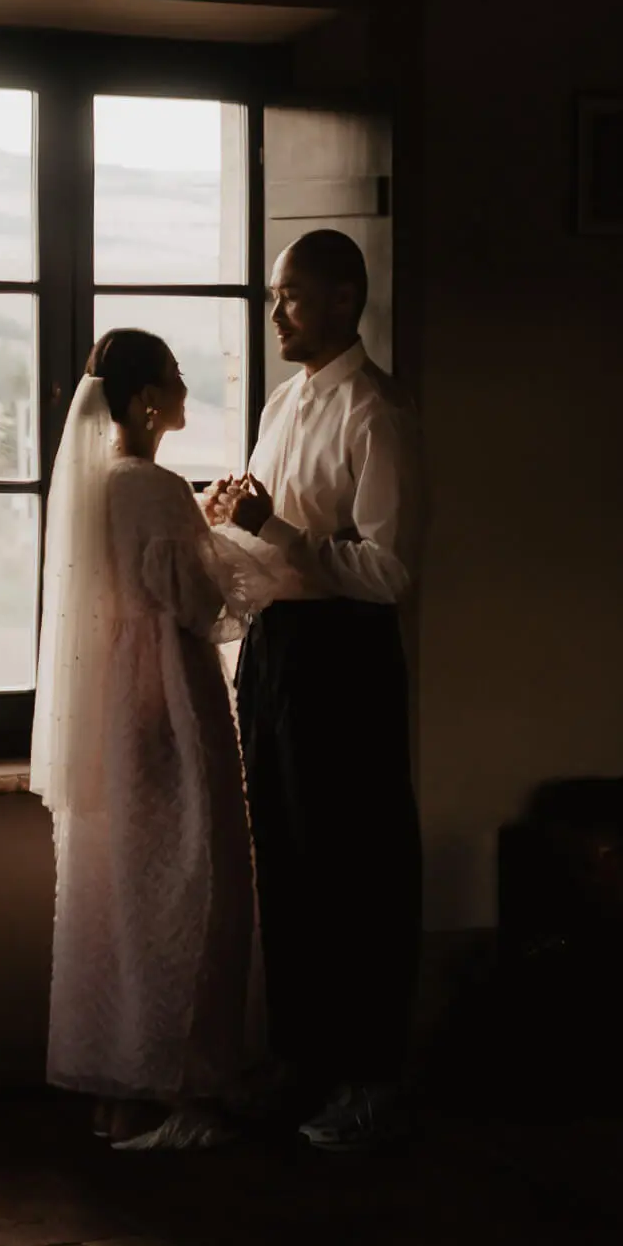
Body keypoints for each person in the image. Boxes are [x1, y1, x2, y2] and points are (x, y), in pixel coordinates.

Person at [205, 229, 424, 1152]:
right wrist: (228, 527)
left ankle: (369, 1079)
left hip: (345, 658)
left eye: (290, 296)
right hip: (277, 647)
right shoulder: (283, 402)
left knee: (355, 863)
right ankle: (301, 1060)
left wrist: (281, 533)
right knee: (285, 859)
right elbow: (270, 539)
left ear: (342, 299)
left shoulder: (376, 415)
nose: (274, 312)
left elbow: (390, 571)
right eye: (271, 295)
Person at [31, 328, 271, 1151]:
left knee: (128, 891)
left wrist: (196, 525)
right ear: (143, 401)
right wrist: (240, 532)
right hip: (169, 691)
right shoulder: (154, 484)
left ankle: (121, 1087)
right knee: (197, 879)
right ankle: (186, 1082)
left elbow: (143, 568)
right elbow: (201, 602)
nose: (184, 387)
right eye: (173, 375)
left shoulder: (100, 485)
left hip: (114, 692)